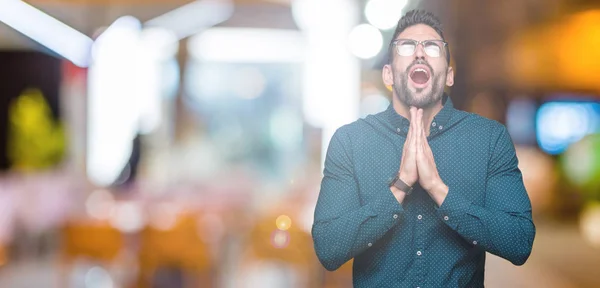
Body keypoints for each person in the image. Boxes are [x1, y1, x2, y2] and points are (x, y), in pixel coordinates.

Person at [311, 9, 535, 287]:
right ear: (389, 74)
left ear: (449, 75)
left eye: (432, 47)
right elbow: (328, 248)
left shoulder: (489, 139)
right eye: (406, 46)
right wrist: (400, 186)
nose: (419, 53)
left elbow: (519, 242)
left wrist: (438, 190)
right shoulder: (351, 141)